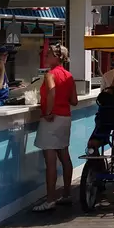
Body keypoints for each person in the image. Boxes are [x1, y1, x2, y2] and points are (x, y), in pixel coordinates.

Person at [33, 43, 78, 212]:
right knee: (64, 156)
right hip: (65, 118)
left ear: (57, 57)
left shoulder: (50, 75)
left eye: (48, 55)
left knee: (50, 161)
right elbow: (74, 101)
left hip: (52, 119)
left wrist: (48, 111)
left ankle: (50, 199)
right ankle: (66, 193)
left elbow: (51, 91)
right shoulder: (68, 75)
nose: (45, 57)